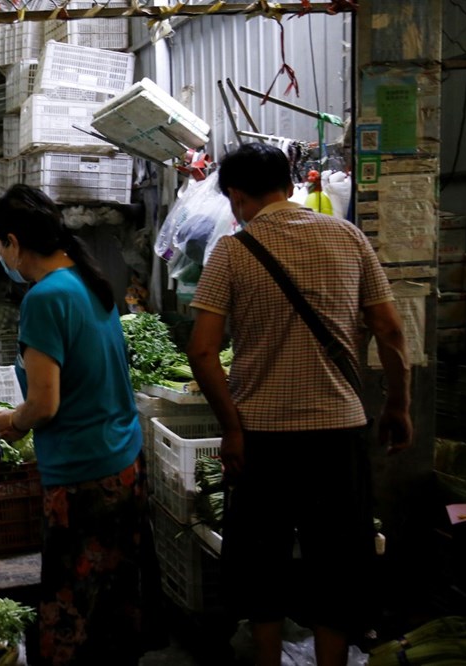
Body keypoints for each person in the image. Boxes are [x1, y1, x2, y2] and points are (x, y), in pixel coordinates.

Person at [186, 143, 412, 666]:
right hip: (338, 433)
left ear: (237, 196)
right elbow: (391, 332)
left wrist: (232, 429)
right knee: (337, 561)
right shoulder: (349, 236)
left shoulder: (232, 251)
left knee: (262, 560)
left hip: (263, 439)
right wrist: (398, 406)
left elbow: (201, 351)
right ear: (289, 186)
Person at [0, 184, 163, 665]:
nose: (1, 256)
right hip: (123, 461)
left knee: (73, 607)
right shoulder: (88, 279)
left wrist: (12, 421)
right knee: (116, 602)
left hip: (82, 476)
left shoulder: (44, 299)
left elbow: (43, 403)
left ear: (14, 243)